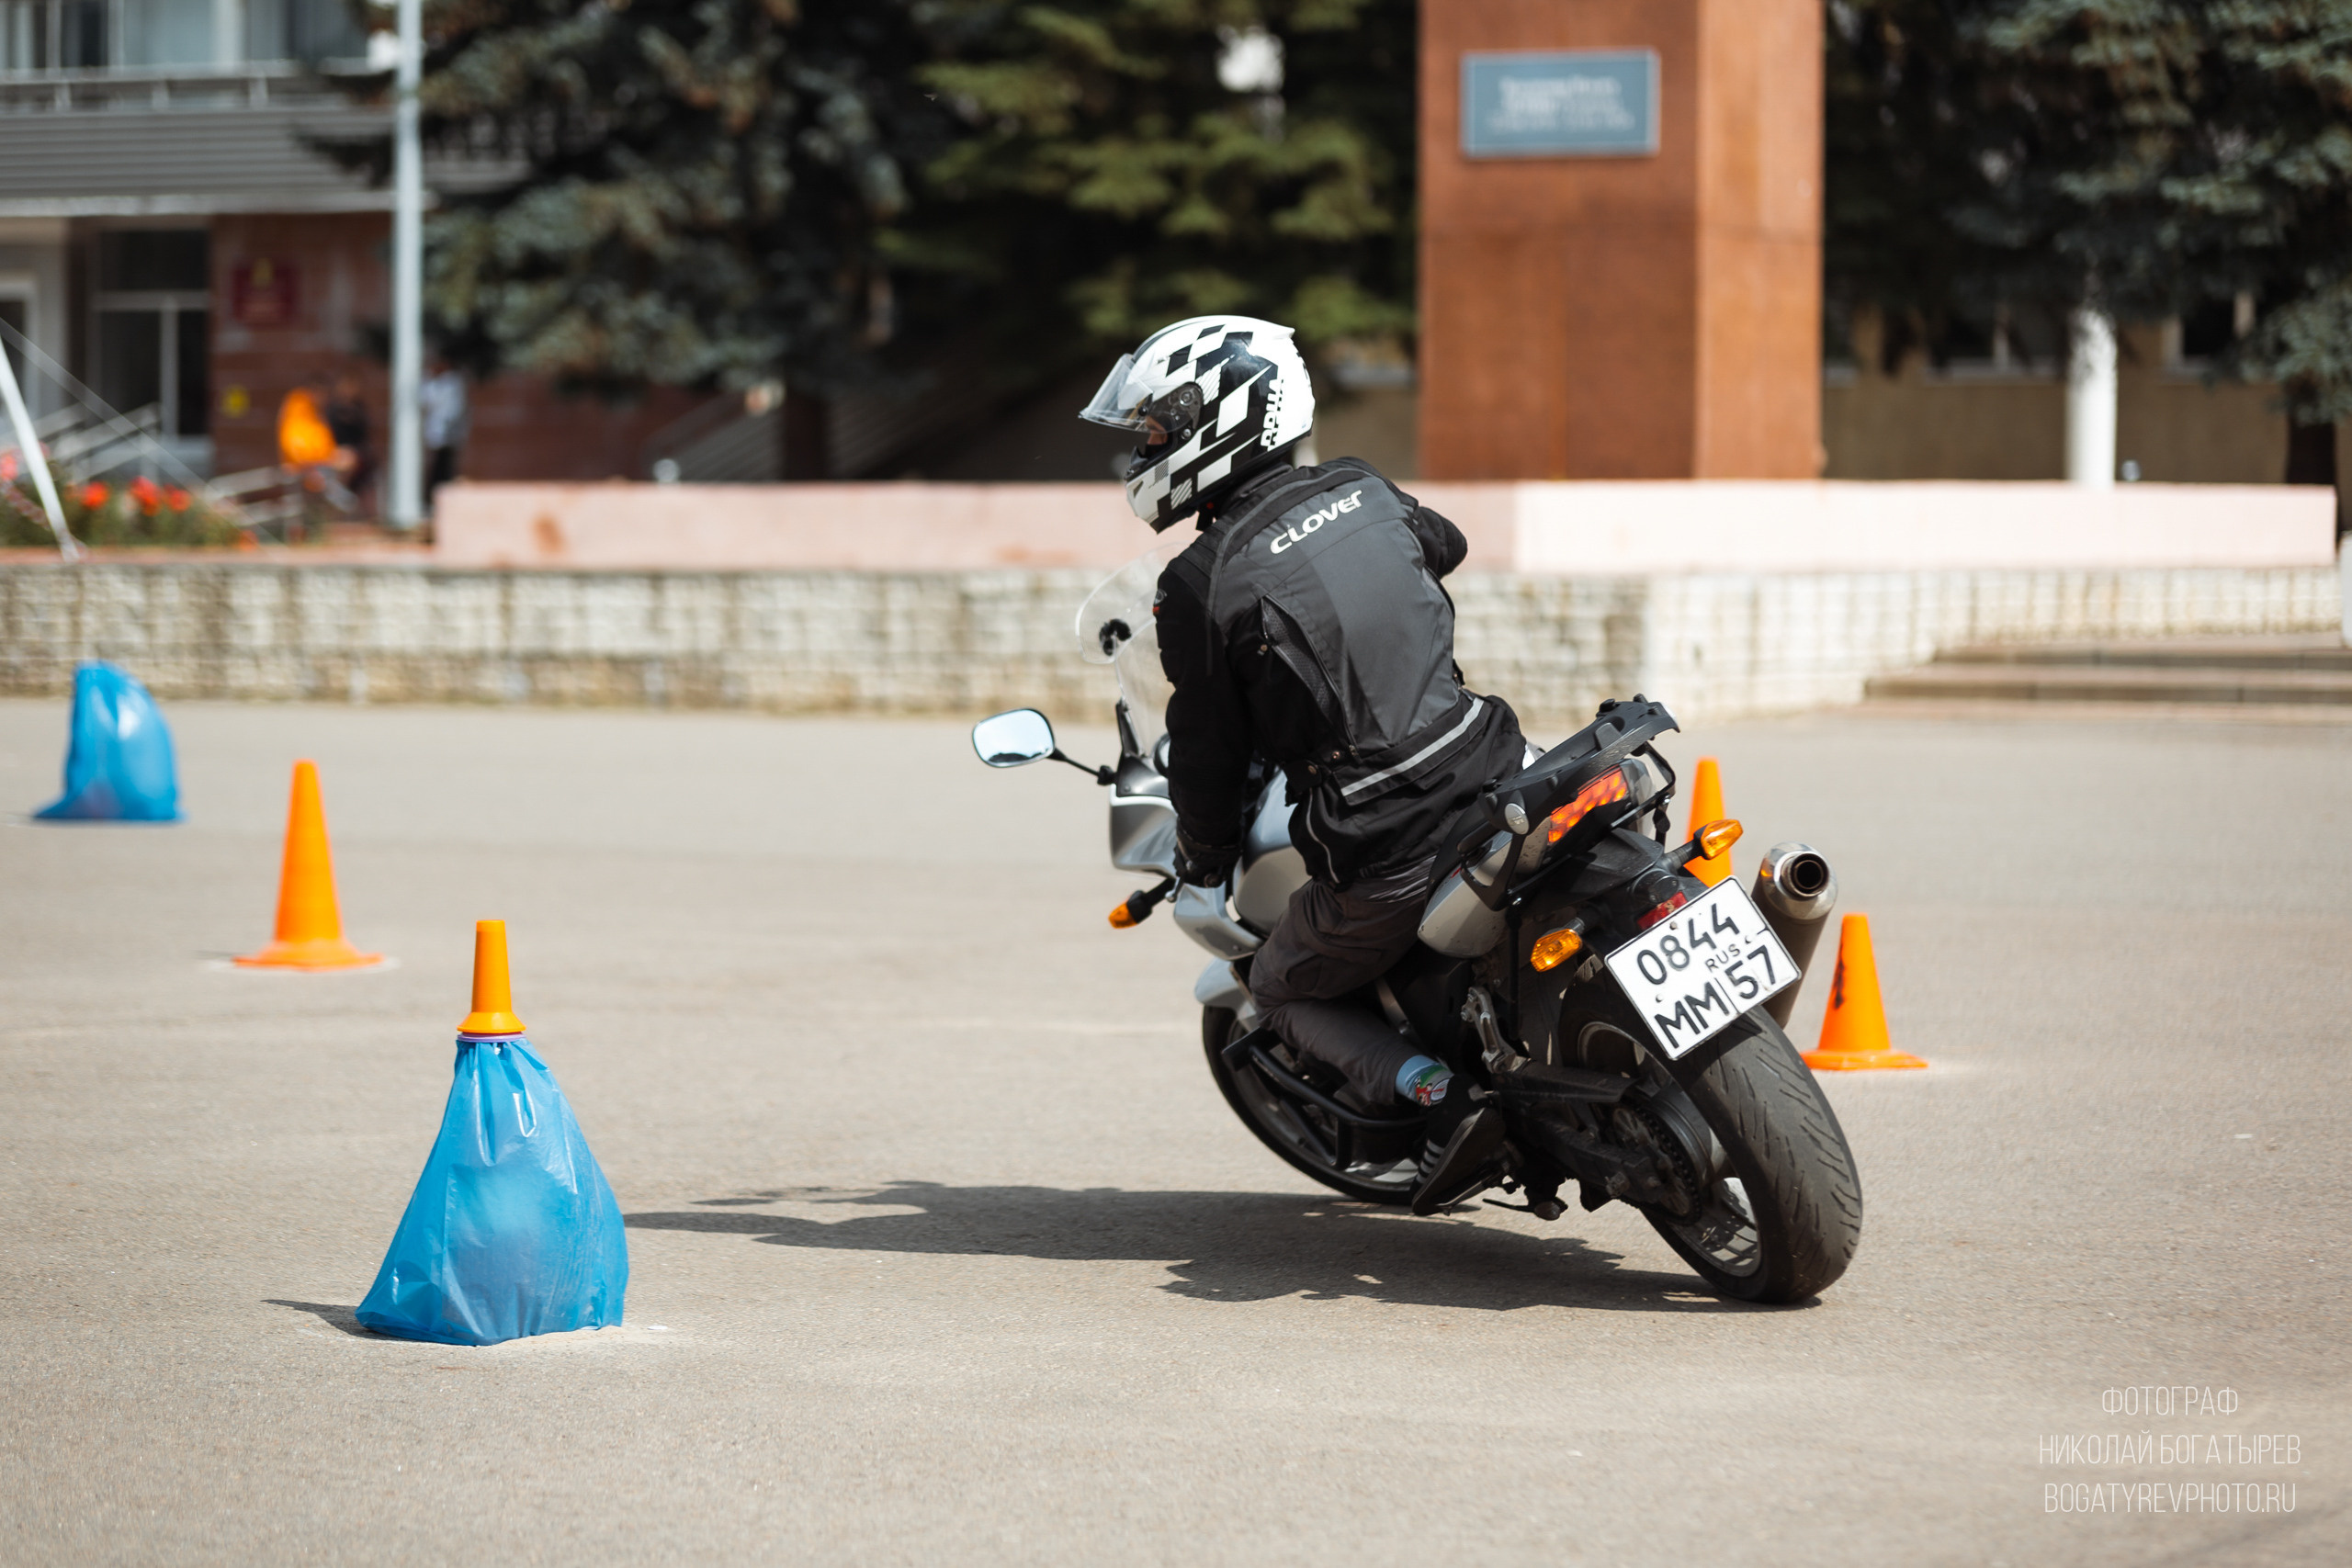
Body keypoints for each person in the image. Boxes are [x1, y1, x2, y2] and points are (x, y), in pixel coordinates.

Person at [1080, 316, 1530, 1213]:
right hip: (1496, 768)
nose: (1144, 452)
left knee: (1279, 982)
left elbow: (1205, 754)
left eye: (1156, 432)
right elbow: (1444, 546)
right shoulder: (1359, 486)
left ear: (1225, 420)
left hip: (1392, 838)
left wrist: (1202, 863)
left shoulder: (1199, 584)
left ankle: (1437, 1092)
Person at [420, 355, 469, 515]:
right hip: (440, 437)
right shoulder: (440, 382)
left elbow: (446, 408)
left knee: (443, 471)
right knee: (438, 470)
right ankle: (433, 503)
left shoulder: (451, 383)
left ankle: (438, 503)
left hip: (447, 436)